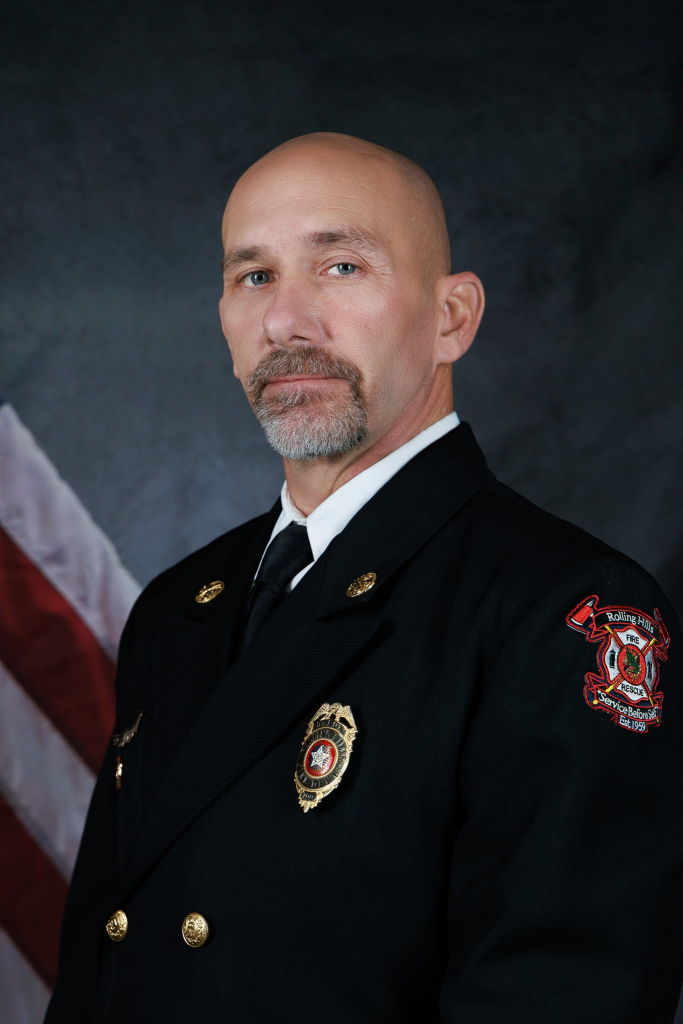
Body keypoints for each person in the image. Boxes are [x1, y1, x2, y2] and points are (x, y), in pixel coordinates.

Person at [46, 133, 683, 1023]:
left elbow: (561, 998)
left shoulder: (564, 611)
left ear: (451, 317)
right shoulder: (179, 606)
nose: (285, 320)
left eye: (340, 267)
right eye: (253, 276)